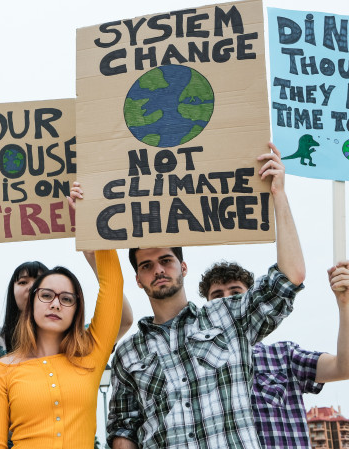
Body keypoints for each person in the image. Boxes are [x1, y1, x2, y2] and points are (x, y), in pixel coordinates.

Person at [107, 142, 307, 449]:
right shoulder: (127, 354)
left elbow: (289, 277)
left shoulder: (230, 316)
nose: (158, 270)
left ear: (183, 267)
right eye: (147, 265)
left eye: (166, 260)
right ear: (138, 279)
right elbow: (123, 427)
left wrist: (279, 194)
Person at [0, 185, 133, 358]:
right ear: (11, 293)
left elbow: (123, 321)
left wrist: (95, 261)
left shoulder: (73, 340)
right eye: (22, 282)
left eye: (40, 284)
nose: (31, 287)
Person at [0, 248, 123, 448]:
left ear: (76, 310)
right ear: (31, 303)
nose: (56, 304)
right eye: (46, 295)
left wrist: (100, 244)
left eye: (66, 299)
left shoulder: (91, 354)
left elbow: (113, 285)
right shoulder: (1, 370)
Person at [199, 260, 349, 448]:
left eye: (236, 293)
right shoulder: (196, 368)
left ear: (252, 298)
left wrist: (345, 305)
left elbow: (343, 367)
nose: (228, 301)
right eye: (217, 296)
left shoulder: (283, 356)